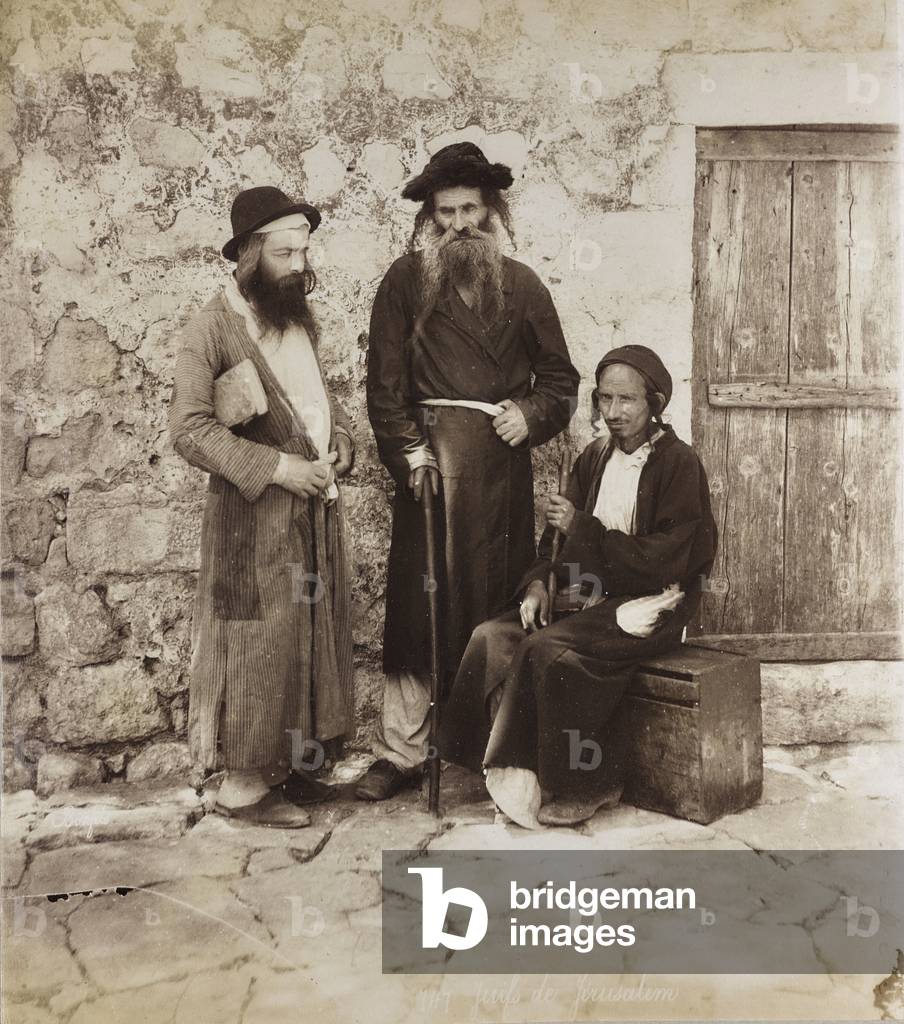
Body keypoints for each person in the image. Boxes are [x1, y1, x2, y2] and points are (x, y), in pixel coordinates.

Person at [359, 142, 580, 800]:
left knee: (492, 604)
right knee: (417, 607)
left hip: (497, 472)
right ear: (429, 217)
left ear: (492, 212)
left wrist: (530, 414)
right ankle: (402, 751)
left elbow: (561, 381)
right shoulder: (404, 282)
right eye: (446, 212)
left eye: (470, 210)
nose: (459, 224)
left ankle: (486, 747)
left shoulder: (523, 286)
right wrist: (407, 450)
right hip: (431, 468)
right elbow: (384, 386)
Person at [438, 345, 718, 827]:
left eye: (627, 399)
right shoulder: (593, 458)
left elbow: (664, 562)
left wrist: (581, 528)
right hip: (587, 594)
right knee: (493, 636)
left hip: (651, 601)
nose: (614, 411)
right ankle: (492, 764)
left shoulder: (678, 464)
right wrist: (538, 585)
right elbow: (552, 547)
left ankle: (589, 782)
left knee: (549, 650)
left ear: (654, 403)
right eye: (605, 398)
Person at [168, 186, 355, 828]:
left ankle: (292, 771)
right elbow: (189, 430)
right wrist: (280, 468)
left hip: (310, 514)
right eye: (284, 253)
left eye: (304, 251)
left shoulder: (294, 318)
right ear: (248, 255)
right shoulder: (211, 328)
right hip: (250, 524)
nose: (299, 265)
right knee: (254, 642)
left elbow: (311, 402)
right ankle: (244, 788)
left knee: (304, 639)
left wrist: (340, 443)